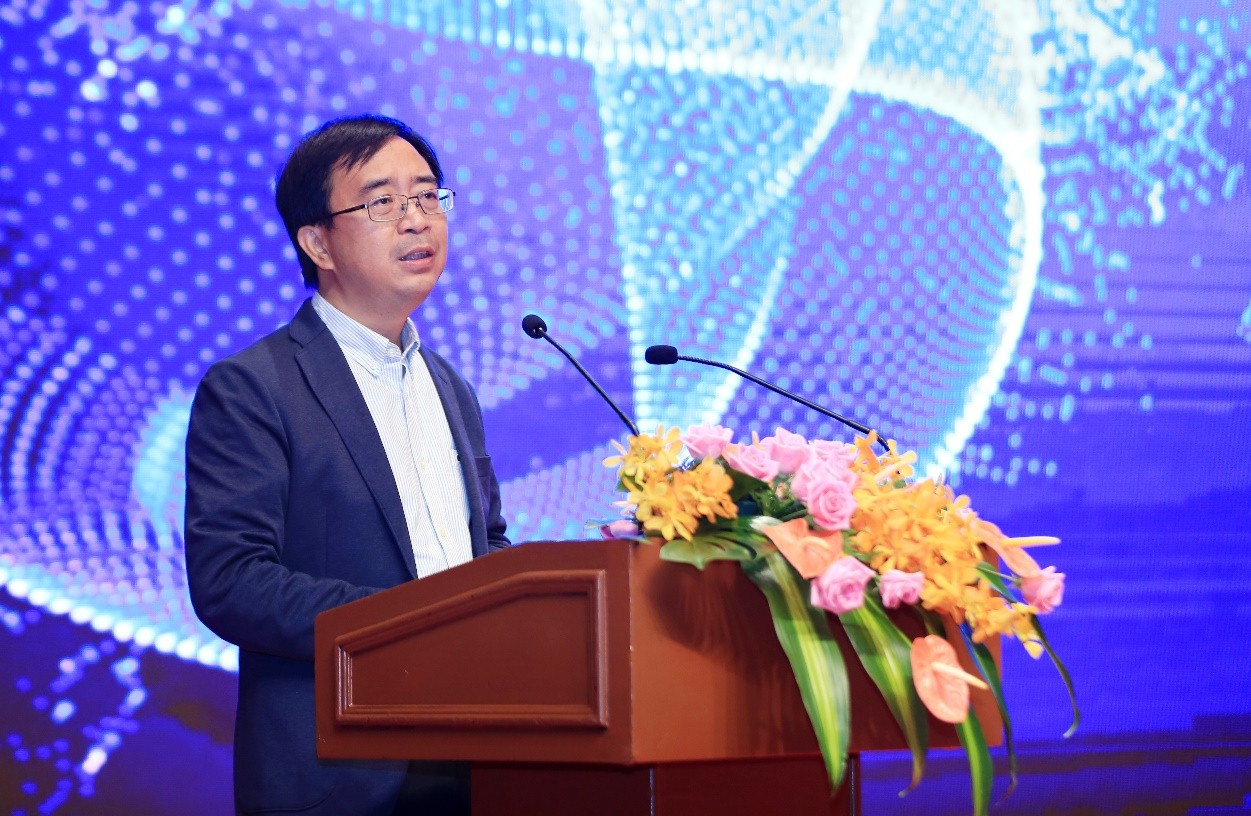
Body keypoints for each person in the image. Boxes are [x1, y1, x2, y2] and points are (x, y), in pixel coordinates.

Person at [184, 114, 511, 816]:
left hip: (478, 752)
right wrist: (414, 624)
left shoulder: (450, 386)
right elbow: (231, 581)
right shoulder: (253, 386)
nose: (416, 219)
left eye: (427, 196)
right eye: (382, 202)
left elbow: (483, 544)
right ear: (317, 243)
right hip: (343, 771)